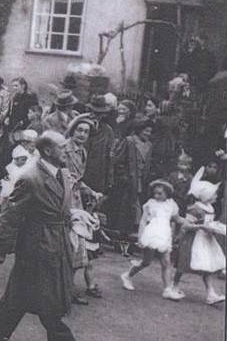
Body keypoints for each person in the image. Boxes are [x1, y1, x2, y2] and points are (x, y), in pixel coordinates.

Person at [0, 130, 76, 341]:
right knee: (48, 297)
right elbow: (10, 216)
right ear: (48, 150)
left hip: (57, 241)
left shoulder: (63, 173)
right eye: (62, 146)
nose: (67, 149)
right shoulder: (30, 178)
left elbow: (64, 207)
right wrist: (2, 249)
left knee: (20, 292)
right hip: (37, 245)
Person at [120, 180, 186, 300]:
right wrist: (140, 237)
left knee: (166, 262)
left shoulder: (172, 204)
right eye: (155, 193)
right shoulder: (150, 204)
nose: (156, 196)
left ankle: (167, 290)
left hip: (164, 234)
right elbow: (143, 221)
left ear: (167, 193)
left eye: (160, 193)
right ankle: (127, 275)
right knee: (146, 262)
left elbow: (177, 219)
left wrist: (188, 221)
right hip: (152, 233)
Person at [63, 114, 104, 304]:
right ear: (72, 130)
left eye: (86, 132)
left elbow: (77, 181)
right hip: (63, 199)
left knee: (77, 245)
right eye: (79, 130)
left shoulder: (83, 152)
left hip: (76, 201)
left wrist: (91, 191)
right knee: (69, 244)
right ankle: (64, 288)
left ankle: (67, 288)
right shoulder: (64, 148)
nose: (82, 134)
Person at [171, 169, 226, 305]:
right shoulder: (195, 208)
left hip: (206, 240)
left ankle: (210, 293)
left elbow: (209, 223)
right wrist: (201, 227)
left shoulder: (210, 208)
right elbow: (186, 225)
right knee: (183, 265)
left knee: (207, 266)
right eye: (213, 194)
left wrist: (215, 227)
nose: (216, 197)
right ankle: (174, 285)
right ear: (205, 196)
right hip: (192, 239)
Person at [108, 119, 155, 256]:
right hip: (128, 183)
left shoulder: (149, 145)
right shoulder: (129, 141)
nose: (148, 133)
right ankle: (121, 244)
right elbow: (118, 161)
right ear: (140, 129)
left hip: (141, 184)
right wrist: (124, 177)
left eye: (150, 131)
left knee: (135, 215)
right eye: (146, 130)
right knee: (125, 214)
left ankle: (129, 243)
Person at [83, 95, 115, 194]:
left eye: (100, 113)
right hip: (82, 173)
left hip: (99, 175)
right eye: (94, 112)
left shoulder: (108, 130)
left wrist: (109, 179)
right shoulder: (82, 127)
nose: (96, 115)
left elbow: (110, 156)